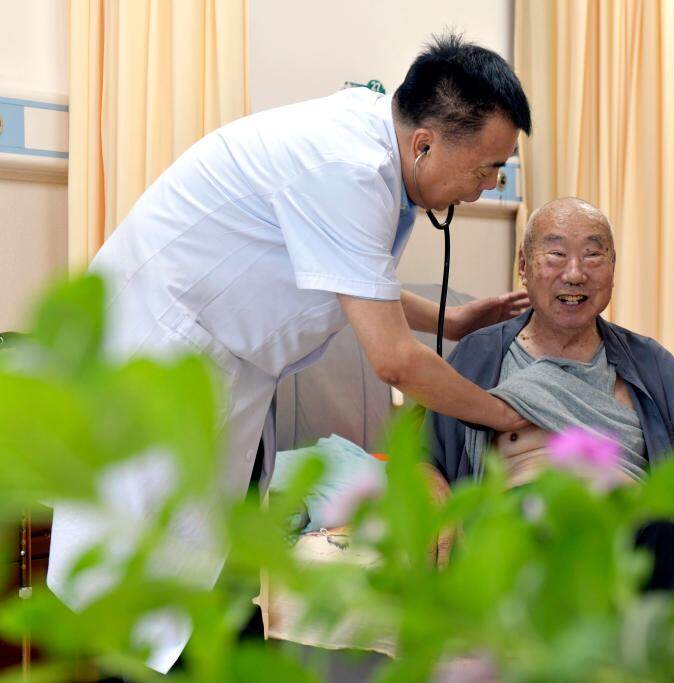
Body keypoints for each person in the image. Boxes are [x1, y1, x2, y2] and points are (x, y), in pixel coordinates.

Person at [47, 34, 534, 673]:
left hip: (217, 371)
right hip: (158, 365)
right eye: (486, 167)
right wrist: (507, 414)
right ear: (425, 144)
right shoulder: (348, 169)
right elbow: (394, 360)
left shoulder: (375, 151)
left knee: (216, 574)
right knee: (150, 595)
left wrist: (454, 321)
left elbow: (353, 280)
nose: (489, 185)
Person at [426, 197, 674, 588]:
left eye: (592, 255)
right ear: (523, 265)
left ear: (613, 269)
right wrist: (433, 492)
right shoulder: (480, 356)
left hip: (633, 544)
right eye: (556, 254)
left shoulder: (649, 362)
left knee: (661, 537)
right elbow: (426, 458)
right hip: (522, 542)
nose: (575, 274)